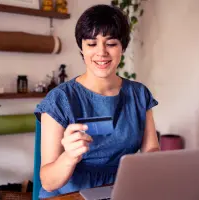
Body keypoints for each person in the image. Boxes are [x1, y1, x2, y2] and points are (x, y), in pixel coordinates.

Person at [34, 4, 160, 199]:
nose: (101, 53)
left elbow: (151, 150)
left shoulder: (139, 94)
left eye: (111, 43)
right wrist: (69, 156)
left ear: (122, 47)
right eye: (92, 44)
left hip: (121, 190)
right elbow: (48, 182)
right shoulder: (59, 99)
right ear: (82, 48)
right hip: (71, 194)